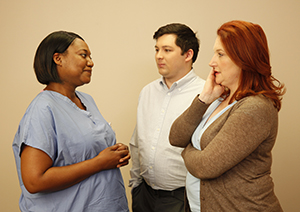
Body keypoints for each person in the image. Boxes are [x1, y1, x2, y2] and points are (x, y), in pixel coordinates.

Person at [169, 20, 285, 212]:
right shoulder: (218, 97)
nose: (211, 62)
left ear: (244, 59)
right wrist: (204, 99)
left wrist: (187, 149)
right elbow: (175, 137)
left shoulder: (255, 107)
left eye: (220, 54)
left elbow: (206, 166)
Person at [12, 31, 130, 212]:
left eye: (90, 56)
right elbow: (34, 181)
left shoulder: (86, 100)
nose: (91, 62)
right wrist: (100, 162)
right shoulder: (43, 108)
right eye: (84, 55)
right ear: (58, 59)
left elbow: (86, 149)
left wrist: (115, 153)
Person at [129, 23, 205, 212]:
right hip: (144, 194)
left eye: (167, 50)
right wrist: (136, 183)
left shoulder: (205, 95)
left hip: (181, 197)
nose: (158, 56)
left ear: (188, 55)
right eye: (157, 49)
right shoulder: (147, 91)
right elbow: (138, 140)